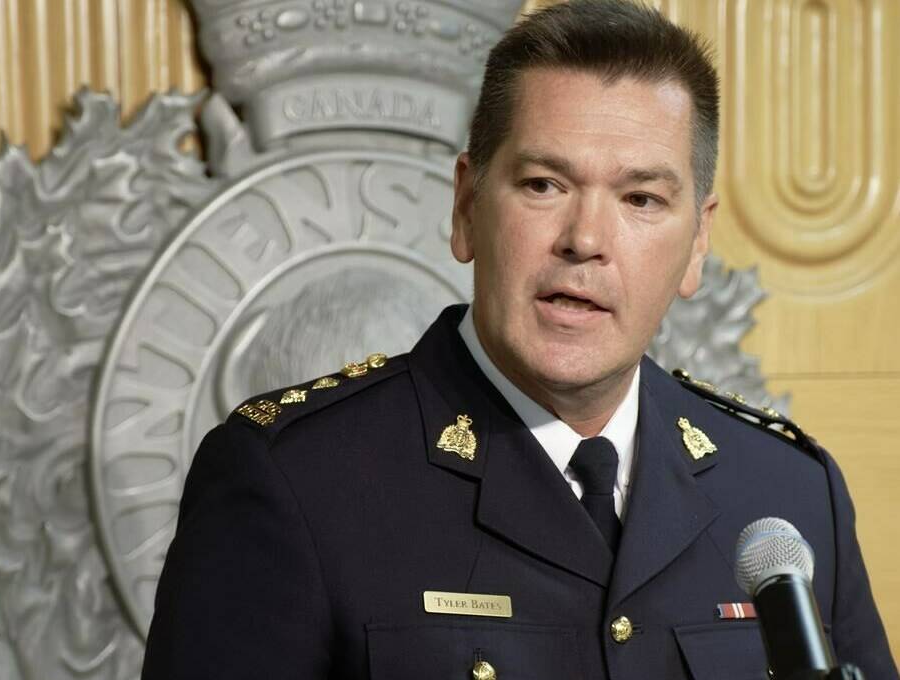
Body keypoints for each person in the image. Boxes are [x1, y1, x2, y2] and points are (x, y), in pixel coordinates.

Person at [141, 1, 898, 678]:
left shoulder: (788, 495)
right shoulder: (295, 481)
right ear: (467, 206)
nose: (585, 240)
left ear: (696, 243)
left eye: (640, 198)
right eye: (544, 185)